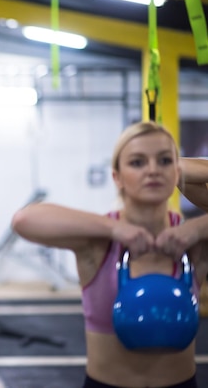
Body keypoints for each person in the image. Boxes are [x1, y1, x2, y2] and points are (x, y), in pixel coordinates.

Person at [11, 121, 208, 388]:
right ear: (117, 177)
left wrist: (197, 227)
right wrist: (115, 229)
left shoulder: (193, 244)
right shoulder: (99, 242)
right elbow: (25, 219)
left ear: (177, 173)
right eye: (137, 163)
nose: (152, 170)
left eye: (163, 161)